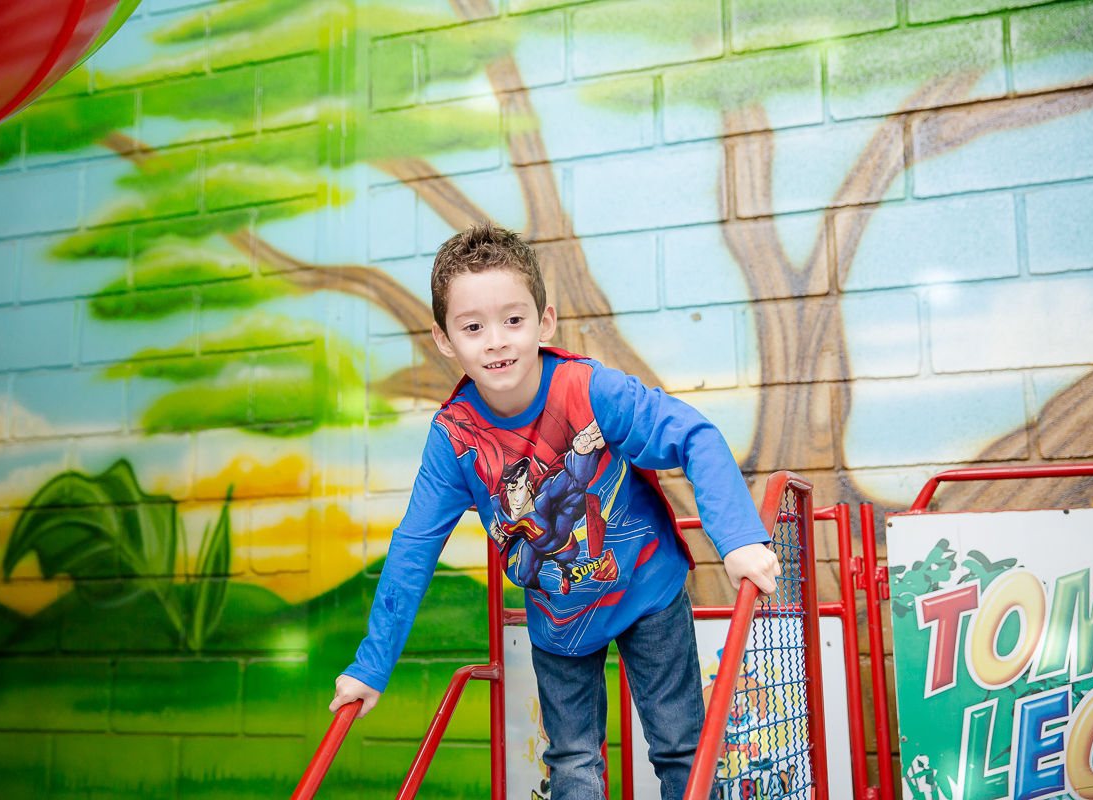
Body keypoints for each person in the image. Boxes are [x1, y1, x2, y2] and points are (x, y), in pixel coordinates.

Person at [330, 222, 781, 800]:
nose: (496, 341)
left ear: (545, 322)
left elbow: (694, 436)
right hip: (560, 616)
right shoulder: (455, 439)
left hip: (645, 587)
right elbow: (414, 547)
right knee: (571, 763)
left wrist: (739, 537)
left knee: (681, 747)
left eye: (513, 321)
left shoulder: (589, 390)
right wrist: (372, 667)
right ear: (445, 339)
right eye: (473, 327)